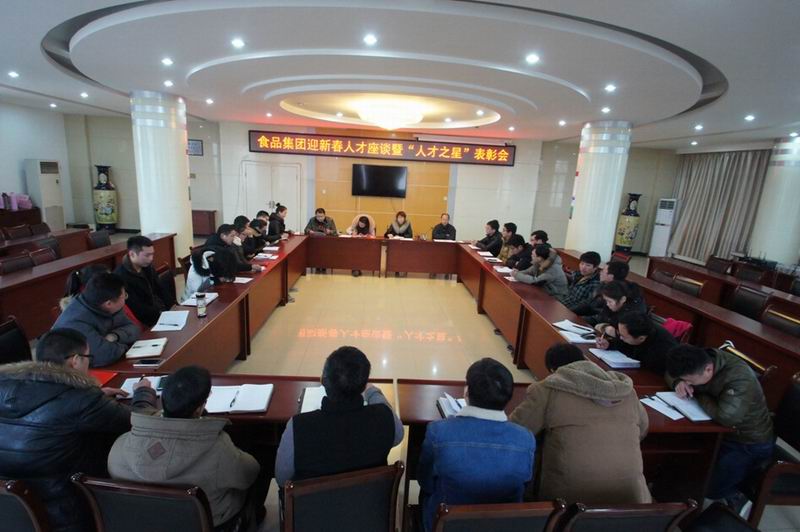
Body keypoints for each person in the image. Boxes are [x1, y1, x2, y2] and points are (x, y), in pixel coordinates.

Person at [0, 328, 155, 532]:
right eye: (88, 358)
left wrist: (96, 396)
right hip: (70, 508)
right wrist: (143, 393)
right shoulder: (83, 400)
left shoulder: (5, 384)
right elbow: (139, 422)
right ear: (75, 361)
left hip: (13, 510)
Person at [109, 366, 264, 530]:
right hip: (208, 523)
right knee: (262, 457)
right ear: (199, 409)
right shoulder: (219, 448)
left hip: (144, 522)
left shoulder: (120, 447)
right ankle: (257, 517)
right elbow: (250, 473)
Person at [510, 343, 651, 505]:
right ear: (584, 359)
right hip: (632, 500)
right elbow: (643, 430)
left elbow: (515, 432)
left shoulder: (548, 390)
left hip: (568, 503)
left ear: (553, 371)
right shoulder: (626, 391)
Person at [417, 358, 535, 532]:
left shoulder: (438, 431)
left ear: (466, 392)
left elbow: (425, 482)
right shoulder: (525, 438)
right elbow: (523, 486)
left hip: (447, 524)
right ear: (509, 397)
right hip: (502, 526)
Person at [275, 346, 403, 487]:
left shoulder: (298, 426)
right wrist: (372, 391)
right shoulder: (384, 418)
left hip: (316, 501)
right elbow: (398, 435)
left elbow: (282, 479)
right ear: (363, 386)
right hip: (369, 500)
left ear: (323, 380)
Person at [666, 345, 774, 510]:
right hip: (718, 430)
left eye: (691, 381)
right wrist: (678, 382)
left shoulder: (740, 379)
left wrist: (698, 394)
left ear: (708, 369)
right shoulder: (699, 360)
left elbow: (726, 417)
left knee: (711, 488)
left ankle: (736, 494)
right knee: (681, 462)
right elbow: (669, 373)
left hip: (747, 441)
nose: (689, 384)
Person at [52, 272, 140, 367]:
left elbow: (134, 328)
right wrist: (127, 346)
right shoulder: (76, 321)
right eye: (124, 296)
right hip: (70, 371)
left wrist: (115, 336)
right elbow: (104, 355)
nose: (125, 299)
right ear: (108, 304)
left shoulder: (109, 306)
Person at [114, 236, 170, 328]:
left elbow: (160, 289)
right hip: (146, 322)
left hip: (161, 314)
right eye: (147, 255)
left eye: (152, 254)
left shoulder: (148, 267)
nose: (151, 258)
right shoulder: (121, 276)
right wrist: (160, 314)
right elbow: (136, 308)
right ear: (132, 254)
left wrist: (171, 308)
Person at [596, 312, 677, 375]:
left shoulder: (662, 349)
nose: (620, 338)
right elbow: (625, 343)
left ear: (641, 338)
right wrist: (609, 344)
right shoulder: (636, 330)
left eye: (623, 336)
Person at [574, 261, 646, 322]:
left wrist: (579, 320)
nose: (600, 273)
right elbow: (588, 303)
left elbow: (603, 318)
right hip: (591, 318)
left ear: (611, 276)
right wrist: (572, 312)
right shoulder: (604, 285)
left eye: (603, 271)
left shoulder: (621, 294)